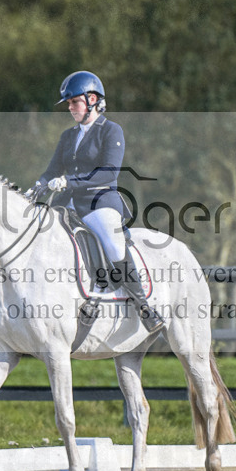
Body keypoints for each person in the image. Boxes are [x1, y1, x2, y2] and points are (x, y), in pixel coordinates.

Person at [32, 71, 164, 334]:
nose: (70, 108)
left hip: (100, 202)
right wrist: (35, 189)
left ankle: (143, 305)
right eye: (68, 104)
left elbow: (109, 173)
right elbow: (51, 171)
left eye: (74, 102)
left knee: (114, 246)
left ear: (92, 99)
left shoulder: (111, 131)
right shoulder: (67, 136)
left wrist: (70, 181)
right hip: (67, 203)